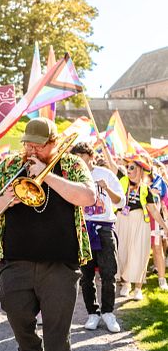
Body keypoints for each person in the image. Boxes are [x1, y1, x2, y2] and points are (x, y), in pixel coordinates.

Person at [0, 118, 96, 351]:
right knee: (16, 316)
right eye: (28, 145)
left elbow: (88, 197)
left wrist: (47, 176)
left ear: (53, 142)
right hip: (16, 262)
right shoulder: (11, 164)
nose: (32, 150)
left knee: (57, 338)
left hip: (60, 265)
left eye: (39, 146)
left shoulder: (71, 163)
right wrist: (7, 200)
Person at [70, 142, 125, 333]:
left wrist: (107, 188)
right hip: (83, 229)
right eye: (77, 158)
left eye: (82, 158)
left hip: (104, 227)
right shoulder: (74, 175)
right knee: (86, 275)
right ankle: (92, 313)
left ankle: (109, 313)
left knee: (109, 272)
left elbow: (121, 201)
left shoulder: (106, 174)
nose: (80, 162)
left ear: (91, 156)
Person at [115, 155, 168, 300]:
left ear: (139, 170)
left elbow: (154, 211)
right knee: (122, 252)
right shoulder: (123, 181)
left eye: (131, 167)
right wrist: (103, 146)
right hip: (122, 220)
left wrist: (165, 227)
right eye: (127, 167)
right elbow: (111, 165)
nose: (128, 170)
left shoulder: (146, 189)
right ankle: (126, 284)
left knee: (139, 254)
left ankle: (138, 288)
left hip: (140, 222)